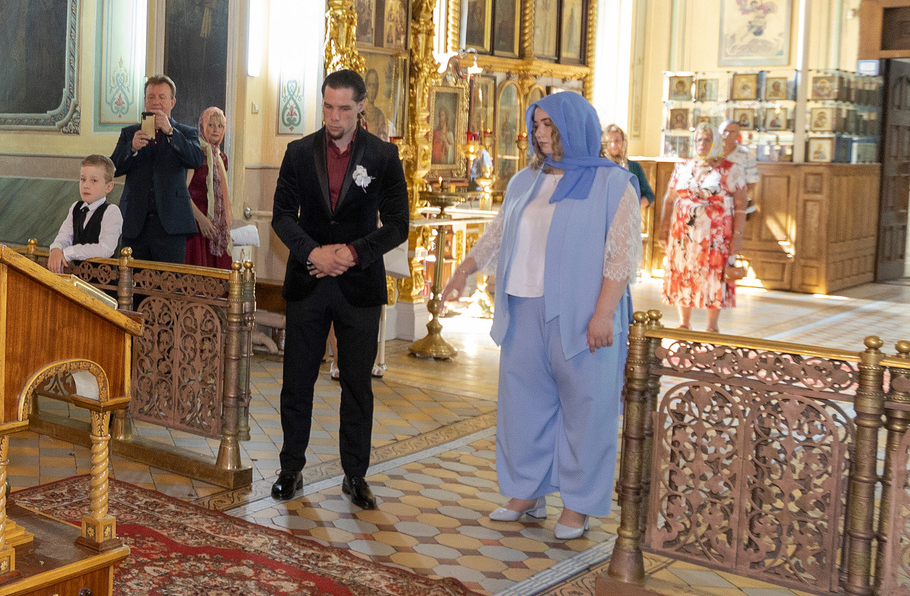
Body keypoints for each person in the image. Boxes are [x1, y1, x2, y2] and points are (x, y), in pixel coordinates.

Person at [442, 92, 641, 542]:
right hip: (523, 307)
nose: (541, 134)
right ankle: (525, 493)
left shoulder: (614, 184)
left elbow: (621, 257)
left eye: (550, 125)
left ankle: (578, 505)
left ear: (576, 125)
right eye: (537, 125)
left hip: (583, 314)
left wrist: (604, 314)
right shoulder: (525, 181)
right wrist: (463, 271)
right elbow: (498, 233)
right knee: (523, 406)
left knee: (586, 411)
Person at [267, 69, 410, 509]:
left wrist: (351, 253)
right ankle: (290, 468)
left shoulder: (383, 157)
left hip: (358, 285)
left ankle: (355, 475)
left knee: (357, 386)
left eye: (343, 108)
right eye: (328, 106)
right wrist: (315, 254)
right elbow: (281, 216)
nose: (334, 116)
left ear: (360, 107)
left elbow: (399, 225)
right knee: (297, 381)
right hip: (309, 281)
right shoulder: (297, 153)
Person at [108, 73, 206, 264]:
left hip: (172, 224)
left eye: (162, 97)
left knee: (169, 285)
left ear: (172, 102)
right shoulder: (129, 133)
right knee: (131, 286)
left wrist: (170, 132)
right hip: (135, 223)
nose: (156, 102)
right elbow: (112, 169)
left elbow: (195, 160)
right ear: (145, 101)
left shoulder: (186, 133)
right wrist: (132, 148)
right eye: (151, 97)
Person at [660, 121, 740, 332]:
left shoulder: (728, 169)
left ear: (716, 142)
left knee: (713, 276)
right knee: (684, 272)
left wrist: (738, 236)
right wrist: (663, 230)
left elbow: (741, 204)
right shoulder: (683, 167)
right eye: (698, 140)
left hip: (714, 236)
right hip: (683, 234)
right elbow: (669, 199)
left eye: (707, 139)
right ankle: (684, 323)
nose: (702, 144)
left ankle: (711, 326)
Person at [45, 154, 120, 274]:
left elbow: (105, 249)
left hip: (102, 281)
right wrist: (56, 249)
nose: (86, 185)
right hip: (76, 276)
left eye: (94, 180)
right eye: (83, 179)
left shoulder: (111, 211)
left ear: (108, 187)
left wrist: (68, 253)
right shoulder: (76, 207)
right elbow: (64, 235)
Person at [187, 105, 234, 269]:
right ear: (202, 126)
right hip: (196, 221)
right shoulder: (195, 153)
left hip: (216, 224)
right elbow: (183, 192)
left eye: (220, 126)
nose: (216, 130)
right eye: (211, 125)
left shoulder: (222, 158)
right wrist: (202, 220)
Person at [606, 124, 655, 203]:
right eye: (609, 142)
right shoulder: (601, 167)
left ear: (623, 142)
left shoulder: (634, 167)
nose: (613, 145)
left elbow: (649, 195)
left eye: (617, 141)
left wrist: (633, 208)